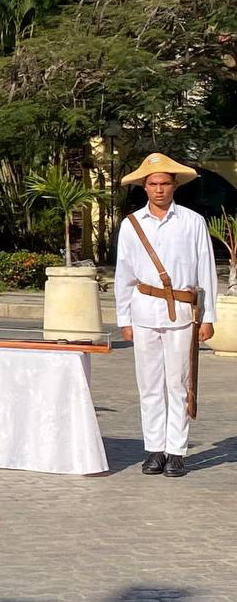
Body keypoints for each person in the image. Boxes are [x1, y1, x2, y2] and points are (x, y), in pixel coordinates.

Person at [114, 153, 217, 478]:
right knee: (149, 384)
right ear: (145, 187)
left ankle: (176, 451)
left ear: (174, 186)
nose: (159, 189)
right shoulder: (131, 226)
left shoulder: (192, 222)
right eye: (153, 184)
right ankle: (155, 449)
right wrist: (124, 319)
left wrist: (209, 316)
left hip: (183, 313)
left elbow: (206, 271)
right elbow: (124, 275)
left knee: (178, 383)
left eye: (165, 183)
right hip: (145, 310)